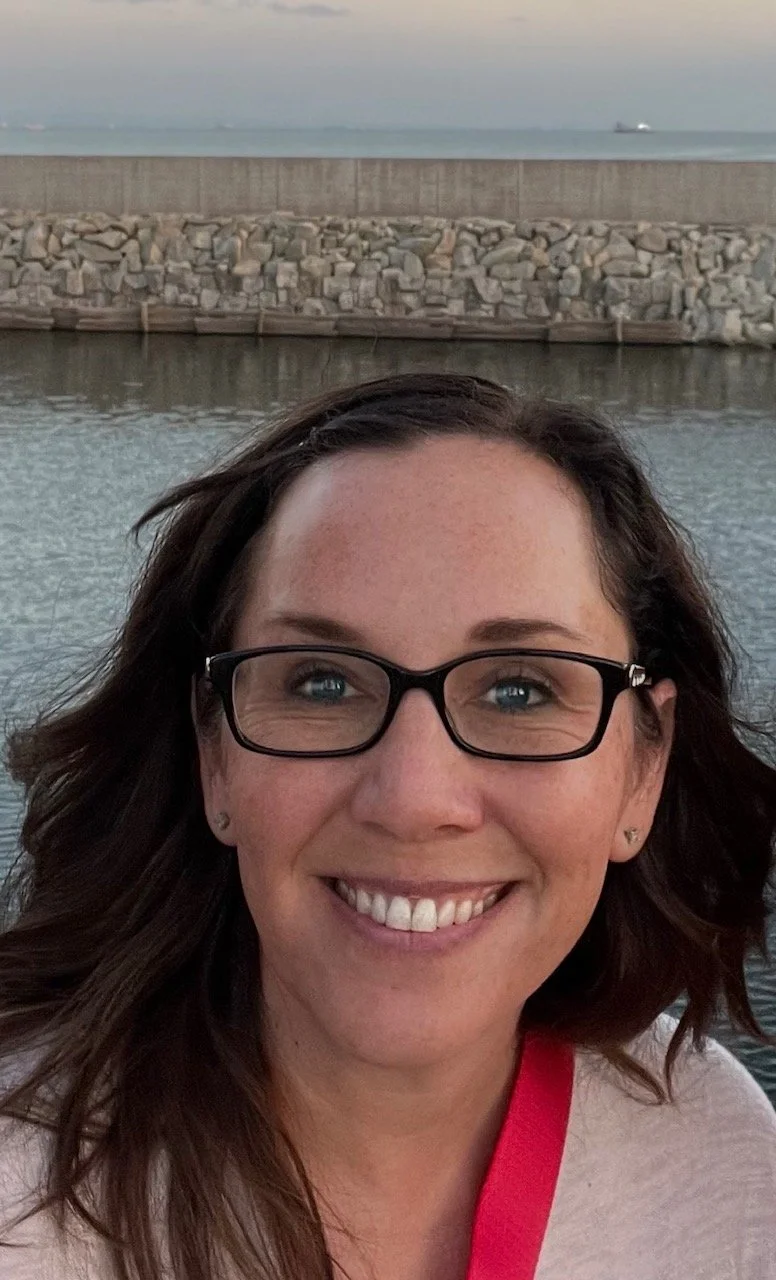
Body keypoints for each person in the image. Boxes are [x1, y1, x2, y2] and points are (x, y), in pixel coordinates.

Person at [0, 371, 774, 1280]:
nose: (413, 798)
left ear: (643, 769)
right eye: (321, 681)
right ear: (214, 752)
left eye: (520, 689)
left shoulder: (723, 1167)